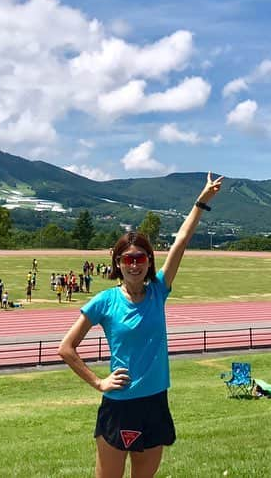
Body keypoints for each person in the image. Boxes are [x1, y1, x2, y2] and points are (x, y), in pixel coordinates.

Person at [59, 172, 222, 478]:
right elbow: (66, 348)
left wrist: (202, 201)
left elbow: (181, 242)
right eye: (127, 258)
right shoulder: (105, 301)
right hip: (119, 405)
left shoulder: (158, 291)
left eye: (140, 258)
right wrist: (98, 383)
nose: (134, 264)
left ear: (149, 261)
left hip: (155, 401)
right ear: (117, 263)